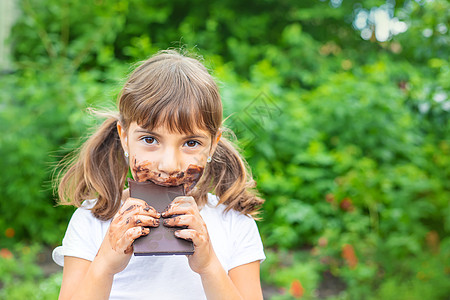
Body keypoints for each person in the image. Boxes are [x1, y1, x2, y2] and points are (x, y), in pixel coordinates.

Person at [52, 50, 266, 300]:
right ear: (124, 137)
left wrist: (209, 266)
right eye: (150, 139)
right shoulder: (91, 222)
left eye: (191, 143)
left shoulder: (234, 223)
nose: (169, 165)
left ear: (213, 145)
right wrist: (105, 265)